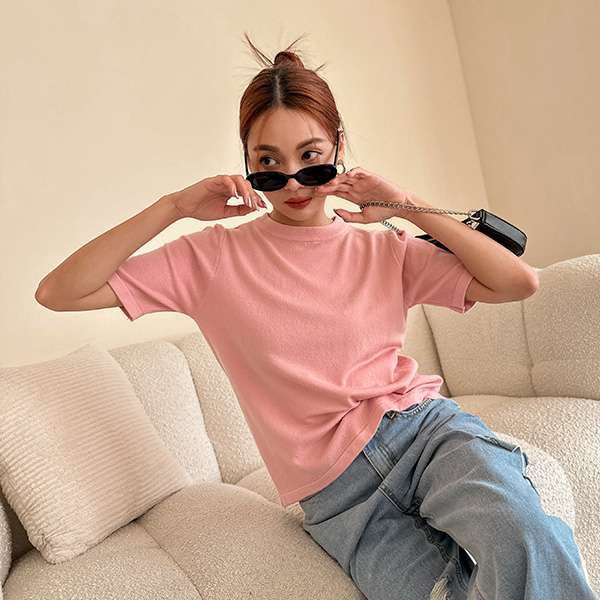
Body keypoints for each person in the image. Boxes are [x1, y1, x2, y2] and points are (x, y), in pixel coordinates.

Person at [36, 37, 596, 600]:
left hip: (427, 435)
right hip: (340, 497)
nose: (292, 183)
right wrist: (174, 207)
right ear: (247, 163)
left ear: (338, 148)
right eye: (268, 164)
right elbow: (58, 292)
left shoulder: (382, 248)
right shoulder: (209, 259)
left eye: (310, 158)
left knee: (526, 537)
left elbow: (518, 282)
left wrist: (403, 202)